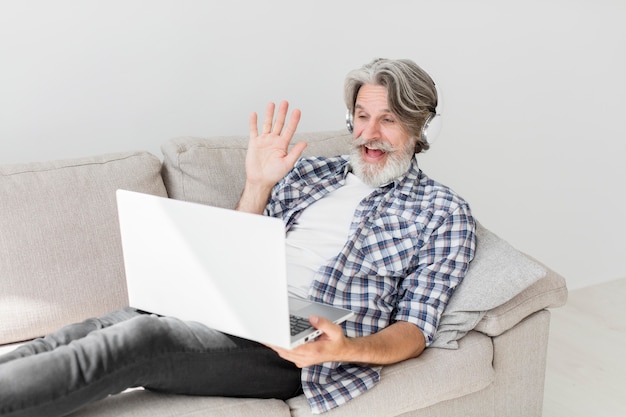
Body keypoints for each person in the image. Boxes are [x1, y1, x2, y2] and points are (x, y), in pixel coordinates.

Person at [0, 58, 476, 416]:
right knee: (92, 328)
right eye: (361, 116)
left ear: (419, 125)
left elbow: (415, 330)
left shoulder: (442, 212)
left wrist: (342, 348)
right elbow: (235, 248)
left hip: (291, 353)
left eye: (388, 120)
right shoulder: (310, 173)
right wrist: (258, 184)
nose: (369, 134)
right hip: (231, 302)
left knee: (140, 340)